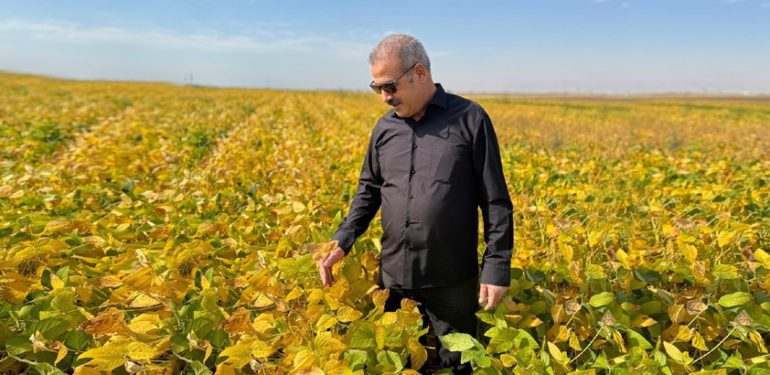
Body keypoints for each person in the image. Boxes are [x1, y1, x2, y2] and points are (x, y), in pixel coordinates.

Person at [318, 33, 513, 374]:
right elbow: (368, 191)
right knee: (401, 363)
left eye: (390, 86)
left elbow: (495, 201)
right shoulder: (384, 129)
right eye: (376, 88)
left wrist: (496, 268)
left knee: (458, 365)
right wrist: (342, 241)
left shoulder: (470, 119)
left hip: (451, 279)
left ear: (419, 73)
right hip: (395, 277)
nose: (384, 97)